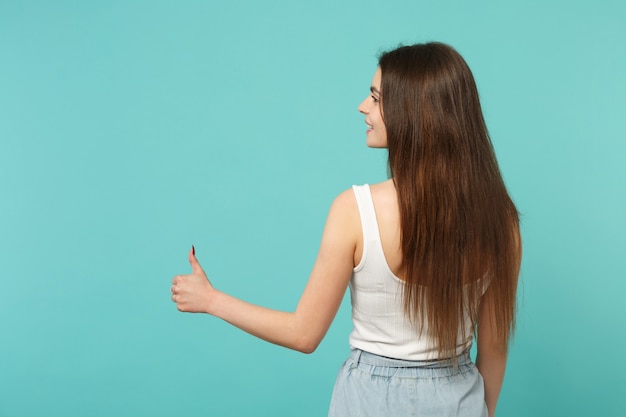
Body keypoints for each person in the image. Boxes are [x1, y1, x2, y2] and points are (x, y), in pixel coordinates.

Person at [170, 42, 521, 417]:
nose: (363, 107)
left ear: (413, 113)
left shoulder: (355, 210)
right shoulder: (502, 222)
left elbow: (304, 334)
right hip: (459, 398)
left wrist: (210, 300)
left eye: (375, 98)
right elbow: (494, 347)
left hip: (371, 400)